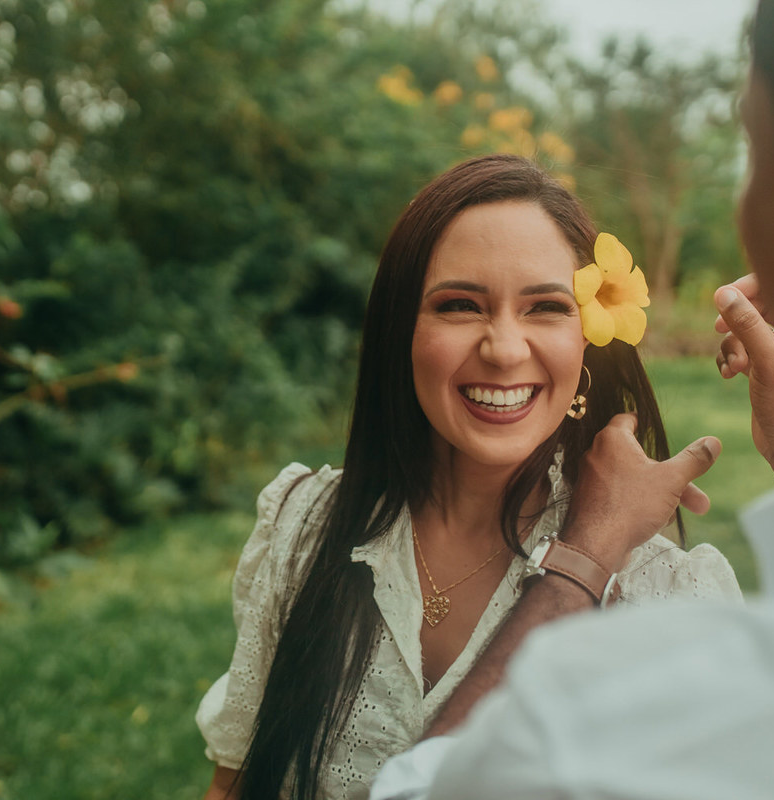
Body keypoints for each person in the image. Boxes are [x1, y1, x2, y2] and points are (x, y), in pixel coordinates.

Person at [370, 0, 774, 798]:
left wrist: (583, 557)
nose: (504, 347)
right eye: (458, 304)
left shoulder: (631, 693)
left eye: (752, 153)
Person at [196, 154, 742, 800]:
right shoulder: (304, 525)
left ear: (588, 341)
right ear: (402, 331)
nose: (504, 349)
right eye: (459, 305)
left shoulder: (662, 594)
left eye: (545, 307)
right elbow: (234, 784)